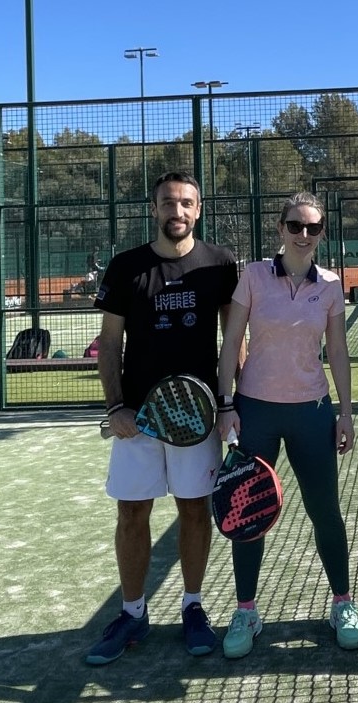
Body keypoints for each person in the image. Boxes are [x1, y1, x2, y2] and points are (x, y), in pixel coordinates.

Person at [85, 171, 240, 665]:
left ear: (199, 210)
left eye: (187, 203)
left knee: (195, 511)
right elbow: (110, 343)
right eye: (168, 203)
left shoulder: (220, 263)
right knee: (132, 513)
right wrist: (116, 407)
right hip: (138, 420)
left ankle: (193, 607)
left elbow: (233, 342)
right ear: (154, 209)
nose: (177, 211)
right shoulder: (127, 266)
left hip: (198, 419)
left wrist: (228, 403)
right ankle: (133, 613)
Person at [215, 192, 358, 659]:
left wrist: (345, 411)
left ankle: (342, 603)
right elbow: (232, 340)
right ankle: (246, 611)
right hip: (255, 410)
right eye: (295, 226)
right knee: (247, 515)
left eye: (313, 228)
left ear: (321, 234)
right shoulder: (255, 276)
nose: (303, 235)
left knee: (326, 513)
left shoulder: (331, 284)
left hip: (312, 412)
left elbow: (337, 351)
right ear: (280, 229)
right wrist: (225, 405)